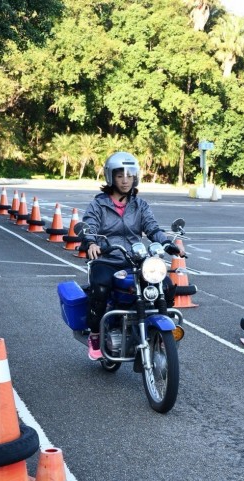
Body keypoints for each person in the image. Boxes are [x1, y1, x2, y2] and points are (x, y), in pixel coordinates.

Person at [80, 151, 183, 360]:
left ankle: (160, 333)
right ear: (111, 177)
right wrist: (91, 242)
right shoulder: (99, 204)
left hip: (135, 259)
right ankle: (95, 334)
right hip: (108, 258)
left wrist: (167, 243)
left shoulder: (140, 205)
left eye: (129, 175)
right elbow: (89, 225)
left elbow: (152, 228)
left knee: (166, 284)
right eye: (120, 175)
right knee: (100, 286)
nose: (125, 180)